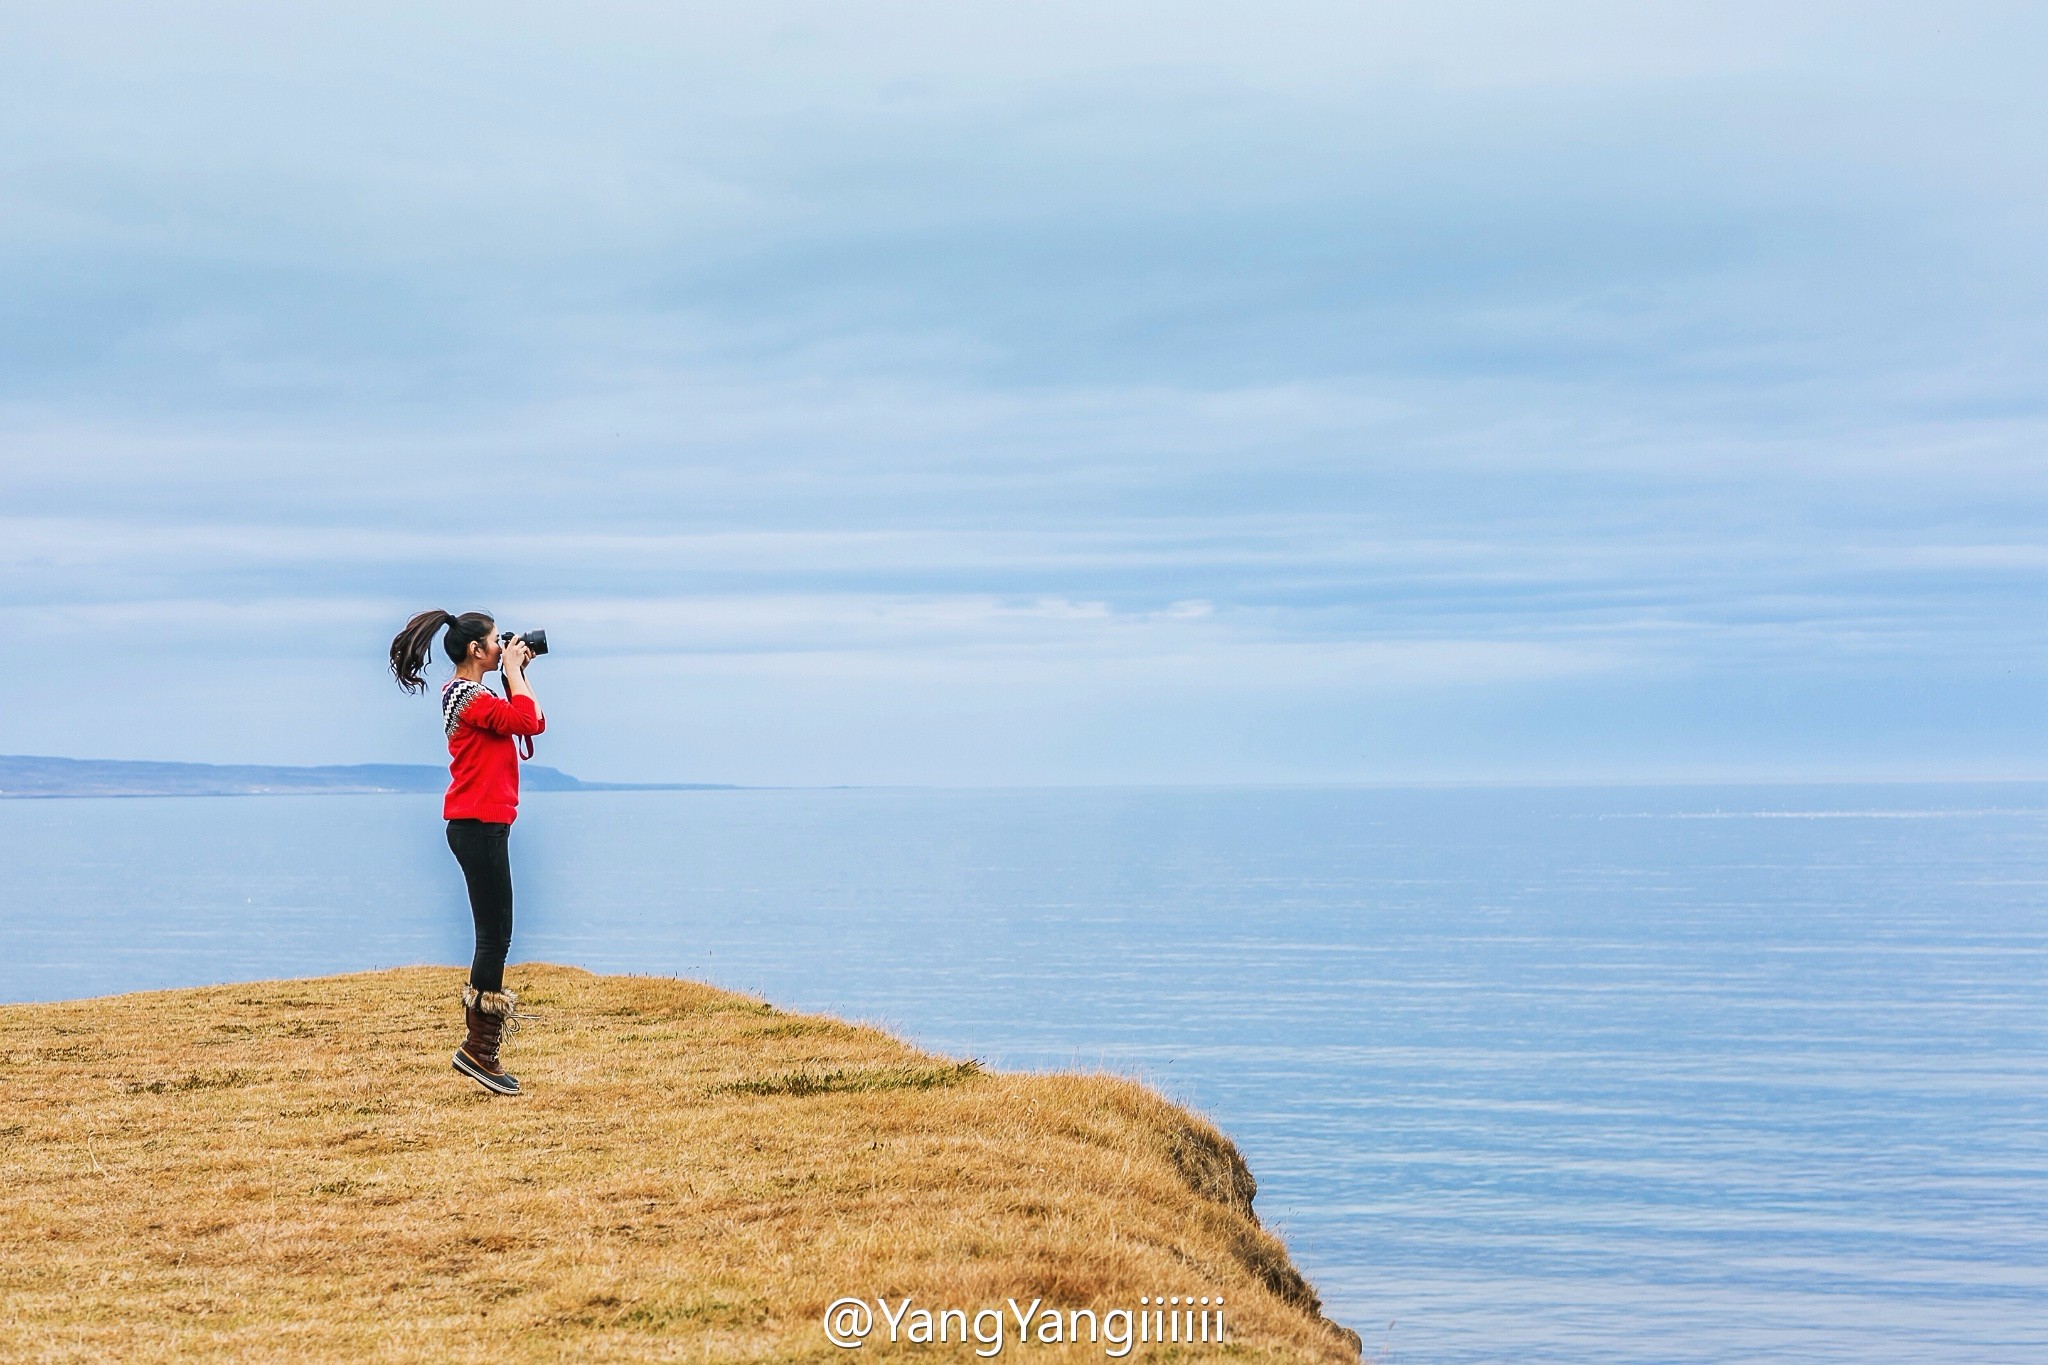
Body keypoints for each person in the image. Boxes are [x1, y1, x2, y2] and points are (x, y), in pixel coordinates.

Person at [388, 609, 546, 1096]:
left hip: (484, 825)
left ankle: (481, 1047)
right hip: (477, 826)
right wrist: (516, 675)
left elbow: (525, 722)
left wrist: (515, 676)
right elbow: (531, 722)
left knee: (496, 933)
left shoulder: (475, 696)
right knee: (494, 936)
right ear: (476, 650)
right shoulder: (465, 696)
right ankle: (479, 1050)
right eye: (498, 641)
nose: (504, 646)